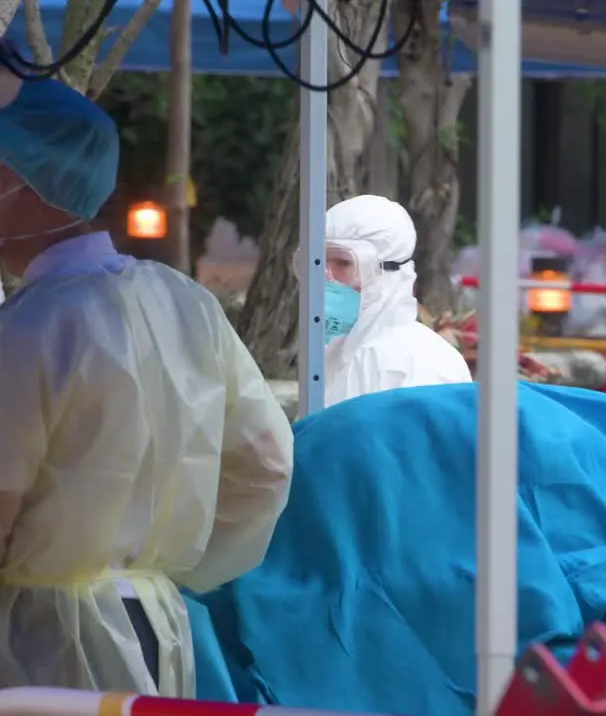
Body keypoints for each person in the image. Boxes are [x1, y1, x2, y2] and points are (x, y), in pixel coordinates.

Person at [0, 70, 294, 695]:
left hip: (39, 643)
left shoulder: (30, 329)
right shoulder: (188, 303)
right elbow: (267, 463)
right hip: (158, 623)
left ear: (26, 183)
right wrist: (174, 565)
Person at [320, 194, 472, 406]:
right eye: (319, 262)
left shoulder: (418, 365)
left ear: (388, 272)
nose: (326, 277)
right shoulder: (336, 353)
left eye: (343, 263)